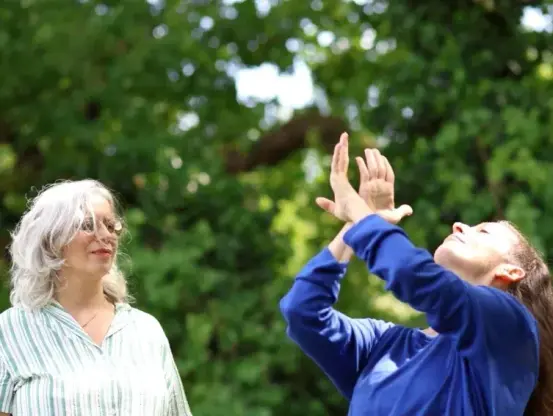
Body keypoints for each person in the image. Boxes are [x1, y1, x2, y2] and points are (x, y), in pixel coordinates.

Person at [280, 133, 553, 415]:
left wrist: (363, 215)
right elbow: (303, 312)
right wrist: (353, 225)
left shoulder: (510, 330)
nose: (459, 225)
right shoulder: (383, 345)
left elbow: (416, 277)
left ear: (511, 271)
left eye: (483, 230)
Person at [0, 180, 193, 416]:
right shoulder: (10, 331)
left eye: (111, 226)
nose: (105, 235)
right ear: (51, 240)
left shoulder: (146, 331)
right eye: (88, 224)